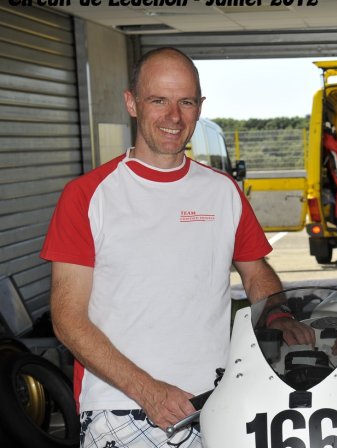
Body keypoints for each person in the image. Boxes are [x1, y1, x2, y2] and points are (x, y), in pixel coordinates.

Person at [40, 47, 313, 448]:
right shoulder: (87, 196)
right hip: (123, 407)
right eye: (159, 100)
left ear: (200, 107)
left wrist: (278, 314)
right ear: (131, 103)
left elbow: (255, 271)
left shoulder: (223, 191)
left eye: (186, 102)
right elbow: (67, 319)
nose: (174, 117)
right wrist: (147, 390)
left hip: (218, 401)